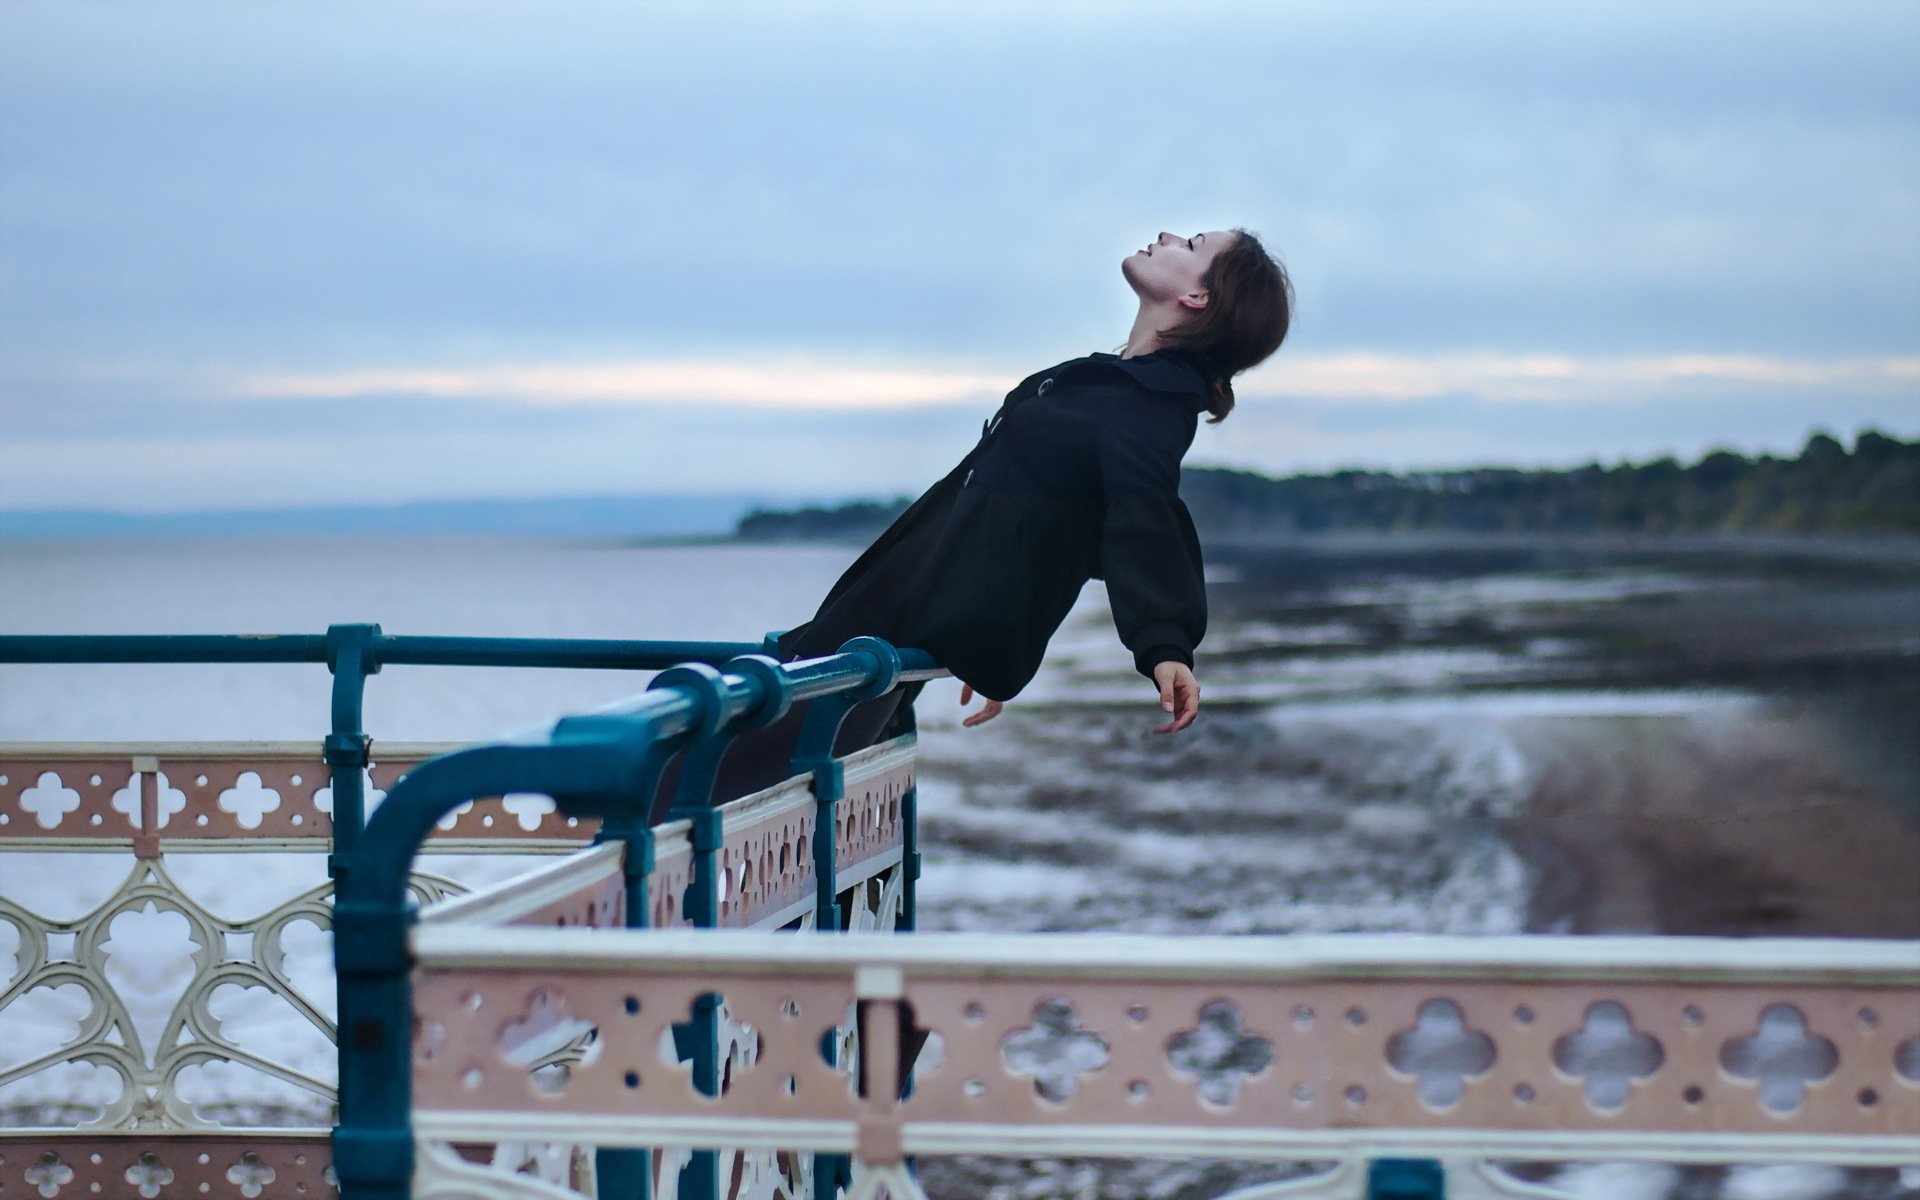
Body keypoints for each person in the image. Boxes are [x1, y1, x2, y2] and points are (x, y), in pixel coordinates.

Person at [651, 228, 1293, 822]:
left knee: (691, 796)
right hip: (879, 621)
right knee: (736, 800)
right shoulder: (1121, 385)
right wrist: (990, 638)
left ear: (1196, 295)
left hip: (882, 633)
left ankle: (613, 930)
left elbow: (1140, 519)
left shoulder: (1148, 402)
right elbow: (1060, 526)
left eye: (1192, 241)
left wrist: (1164, 645)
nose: (1166, 236)